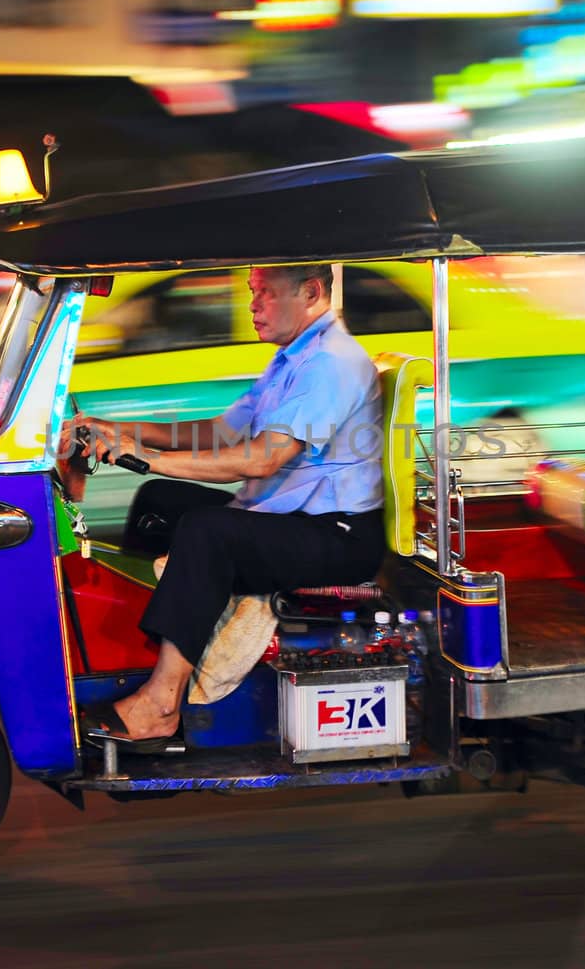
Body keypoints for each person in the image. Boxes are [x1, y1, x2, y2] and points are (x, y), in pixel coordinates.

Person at [75, 263, 385, 748]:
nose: (253, 305)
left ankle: (161, 705)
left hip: (338, 536)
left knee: (207, 532)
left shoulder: (330, 363)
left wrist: (150, 457)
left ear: (311, 291)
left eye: (265, 293)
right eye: (251, 292)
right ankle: (142, 656)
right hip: (295, 517)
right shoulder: (293, 358)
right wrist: (121, 431)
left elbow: (263, 460)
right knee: (163, 500)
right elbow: (221, 432)